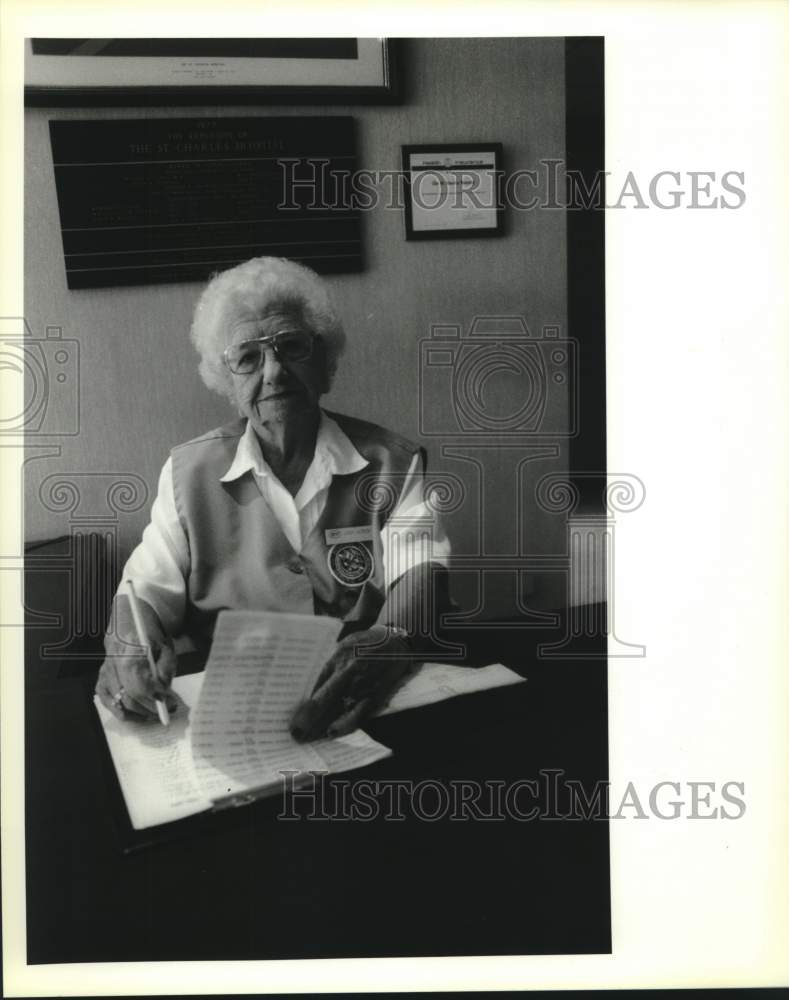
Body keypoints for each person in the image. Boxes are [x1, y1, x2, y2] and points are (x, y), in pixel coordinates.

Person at [95, 256, 451, 740]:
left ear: (324, 362)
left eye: (291, 346)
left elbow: (421, 572)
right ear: (228, 381)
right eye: (248, 357)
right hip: (235, 722)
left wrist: (389, 639)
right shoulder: (187, 473)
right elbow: (144, 592)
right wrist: (128, 644)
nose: (274, 371)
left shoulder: (392, 461)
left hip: (362, 704)